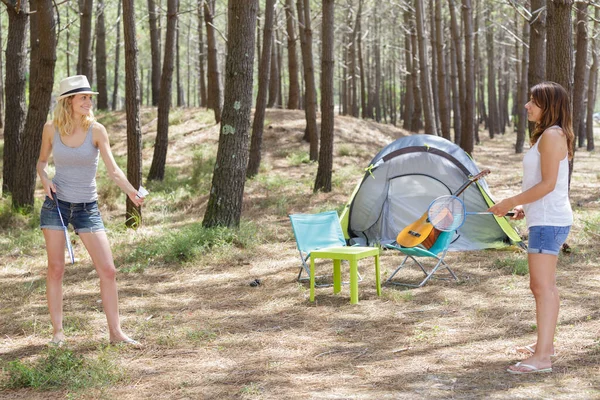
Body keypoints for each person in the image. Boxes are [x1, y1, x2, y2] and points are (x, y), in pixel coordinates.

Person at [37, 75, 145, 347]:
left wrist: (132, 192)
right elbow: (41, 163)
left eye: (89, 97)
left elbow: (113, 170)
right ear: (68, 101)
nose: (88, 101)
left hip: (87, 207)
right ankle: (58, 333)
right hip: (56, 206)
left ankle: (116, 333)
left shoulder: (97, 130)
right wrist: (45, 180)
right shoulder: (51, 128)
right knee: (56, 269)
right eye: (83, 97)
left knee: (108, 270)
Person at [488, 81, 574, 374]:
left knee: (541, 287)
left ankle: (542, 359)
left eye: (533, 102)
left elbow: (549, 185)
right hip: (545, 217)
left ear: (549, 106)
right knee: (544, 287)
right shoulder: (548, 135)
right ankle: (545, 348)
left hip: (550, 220)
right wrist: (524, 206)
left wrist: (510, 199)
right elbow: (547, 181)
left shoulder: (552, 135)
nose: (527, 106)